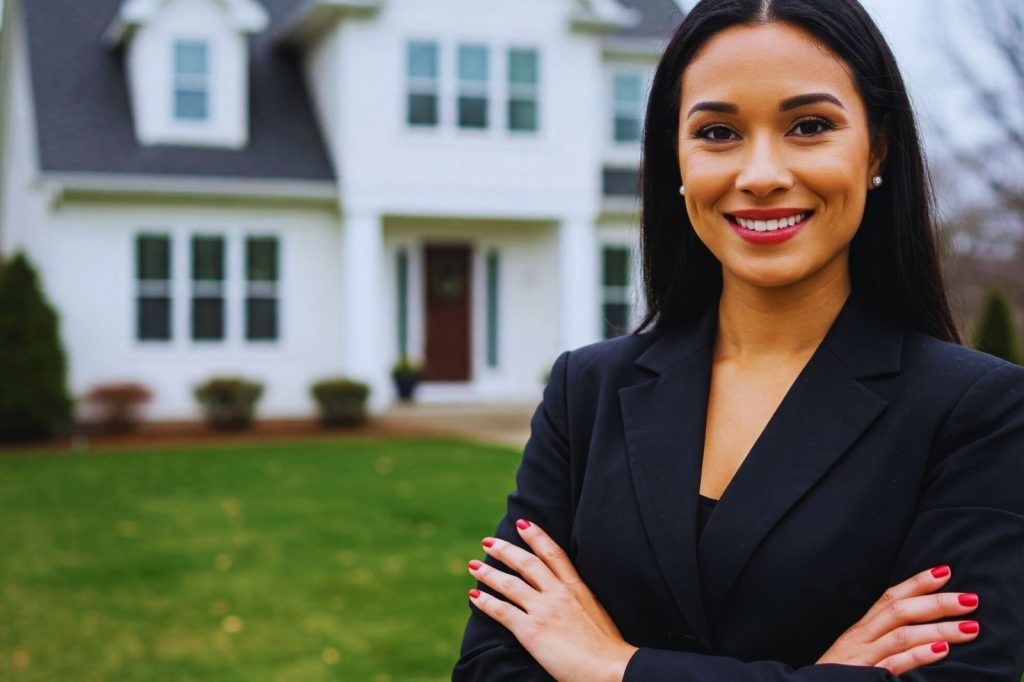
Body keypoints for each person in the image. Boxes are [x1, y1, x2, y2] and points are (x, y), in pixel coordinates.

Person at [452, 0, 1024, 679]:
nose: (759, 175)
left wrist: (612, 667)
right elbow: (492, 668)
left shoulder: (978, 411)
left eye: (809, 126)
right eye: (718, 132)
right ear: (677, 160)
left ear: (877, 148)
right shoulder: (587, 392)